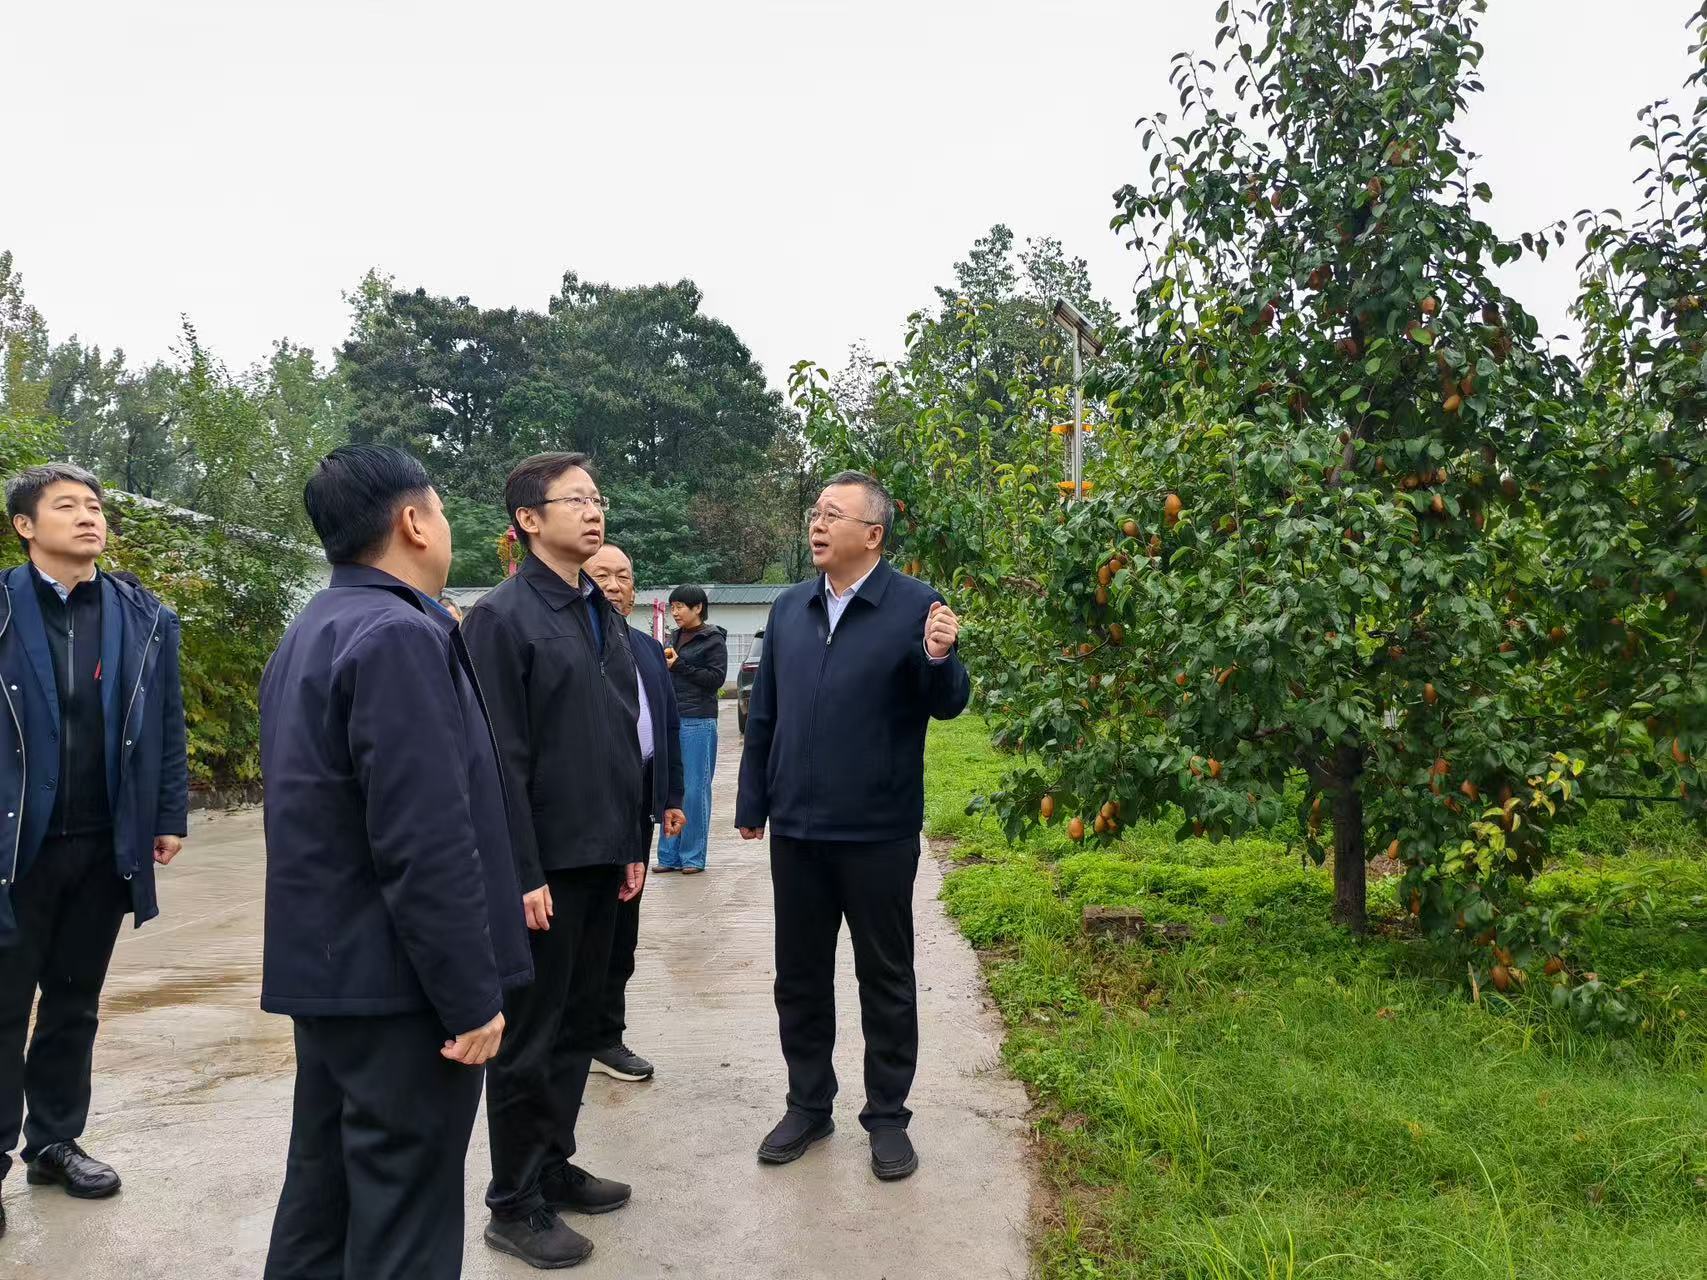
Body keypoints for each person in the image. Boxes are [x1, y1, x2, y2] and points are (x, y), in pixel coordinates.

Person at [258, 445, 529, 1279]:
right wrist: (469, 995)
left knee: (324, 1198)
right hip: (400, 986)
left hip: (334, 972)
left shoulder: (314, 627)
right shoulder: (399, 634)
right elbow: (424, 839)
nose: (446, 527)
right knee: (405, 1217)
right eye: (440, 511)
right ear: (413, 522)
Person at [736, 470, 968, 1183]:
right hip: (798, 831)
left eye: (832, 514)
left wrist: (938, 656)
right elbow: (765, 711)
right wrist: (752, 802)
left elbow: (947, 703)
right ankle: (808, 1104)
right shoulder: (789, 608)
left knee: (885, 976)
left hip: (877, 830)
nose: (816, 523)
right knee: (800, 976)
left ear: (872, 534)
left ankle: (887, 1116)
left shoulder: (915, 605)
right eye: (815, 512)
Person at [461, 452, 644, 1269]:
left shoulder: (595, 610)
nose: (593, 510)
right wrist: (522, 871)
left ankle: (553, 1165)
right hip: (545, 868)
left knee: (577, 1025)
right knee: (531, 1038)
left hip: (602, 855)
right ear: (529, 520)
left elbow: (619, 739)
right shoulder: (502, 618)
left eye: (597, 498)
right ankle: (513, 1202)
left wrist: (630, 843)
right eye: (575, 500)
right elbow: (499, 759)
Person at [0, 463, 188, 1238]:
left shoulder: (143, 616)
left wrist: (166, 814)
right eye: (67, 506)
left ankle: (54, 1142)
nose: (88, 517)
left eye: (94, 506)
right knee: (3, 1006)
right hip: (14, 847)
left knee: (74, 1002)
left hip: (103, 843)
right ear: (24, 526)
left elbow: (166, 721)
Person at [584, 543, 685, 1083]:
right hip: (583, 806)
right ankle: (566, 1037)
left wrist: (671, 797)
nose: (614, 585)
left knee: (623, 926)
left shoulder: (646, 648)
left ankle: (605, 1035)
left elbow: (665, 725)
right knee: (581, 926)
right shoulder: (575, 644)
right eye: (601, 574)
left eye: (623, 576)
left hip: (636, 803)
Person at [654, 584, 726, 875]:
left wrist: (679, 666)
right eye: (672, 607)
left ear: (698, 608)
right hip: (672, 718)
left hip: (698, 720)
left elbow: (716, 679)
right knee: (671, 788)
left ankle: (693, 856)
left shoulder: (713, 640)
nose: (675, 612)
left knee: (695, 790)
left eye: (680, 606)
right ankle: (669, 855)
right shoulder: (673, 637)